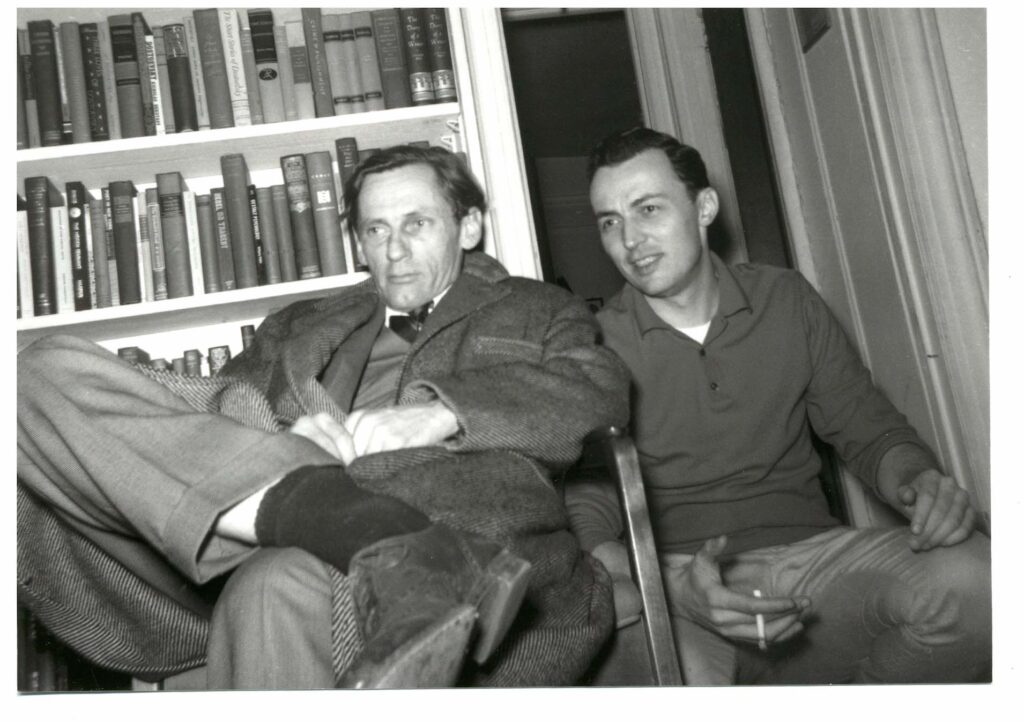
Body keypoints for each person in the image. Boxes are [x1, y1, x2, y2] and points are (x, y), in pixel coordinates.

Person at [17, 144, 629, 688]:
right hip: (224, 537)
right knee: (30, 372)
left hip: (437, 536)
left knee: (274, 582)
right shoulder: (297, 325)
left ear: (467, 226)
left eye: (417, 224)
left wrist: (443, 413)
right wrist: (277, 437)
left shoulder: (534, 308)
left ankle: (376, 538)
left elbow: (597, 387)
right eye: (375, 229)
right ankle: (341, 516)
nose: (394, 250)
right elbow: (206, 422)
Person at [572, 127, 991, 684]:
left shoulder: (786, 298)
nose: (630, 240)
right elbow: (589, 517)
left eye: (647, 209)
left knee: (982, 584)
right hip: (679, 590)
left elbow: (869, 430)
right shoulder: (593, 348)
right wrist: (668, 587)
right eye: (609, 222)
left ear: (704, 207)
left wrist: (923, 484)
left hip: (813, 565)